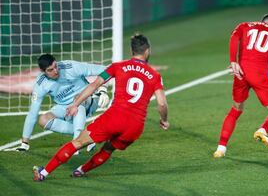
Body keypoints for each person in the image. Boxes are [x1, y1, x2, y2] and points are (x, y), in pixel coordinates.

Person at [32, 34, 169, 181]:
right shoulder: (155, 76)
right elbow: (161, 103)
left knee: (78, 142)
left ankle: (43, 173)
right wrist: (164, 120)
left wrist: (75, 104)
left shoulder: (118, 66)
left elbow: (95, 85)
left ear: (131, 50)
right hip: (135, 126)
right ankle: (81, 170)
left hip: (115, 117)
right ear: (147, 51)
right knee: (108, 149)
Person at [213, 13, 268, 158]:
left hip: (241, 71)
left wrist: (233, 61)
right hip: (260, 74)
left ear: (263, 22)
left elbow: (234, 37)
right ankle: (262, 131)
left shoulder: (245, 25)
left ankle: (220, 149)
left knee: (236, 110)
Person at [14, 54, 109, 152]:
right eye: (50, 70)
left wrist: (103, 89)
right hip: (65, 106)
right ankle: (87, 136)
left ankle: (76, 145)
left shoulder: (70, 67)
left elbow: (106, 69)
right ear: (43, 72)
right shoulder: (41, 84)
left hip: (88, 99)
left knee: (77, 101)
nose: (56, 71)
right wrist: (24, 143)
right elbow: (32, 113)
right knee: (43, 119)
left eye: (56, 66)